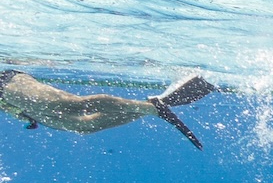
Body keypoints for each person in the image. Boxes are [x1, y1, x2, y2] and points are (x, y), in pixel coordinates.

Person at [0, 70, 216, 149]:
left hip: (3, 83)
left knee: (71, 106)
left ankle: (154, 108)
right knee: (81, 126)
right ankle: (153, 107)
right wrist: (18, 114)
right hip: (10, 103)